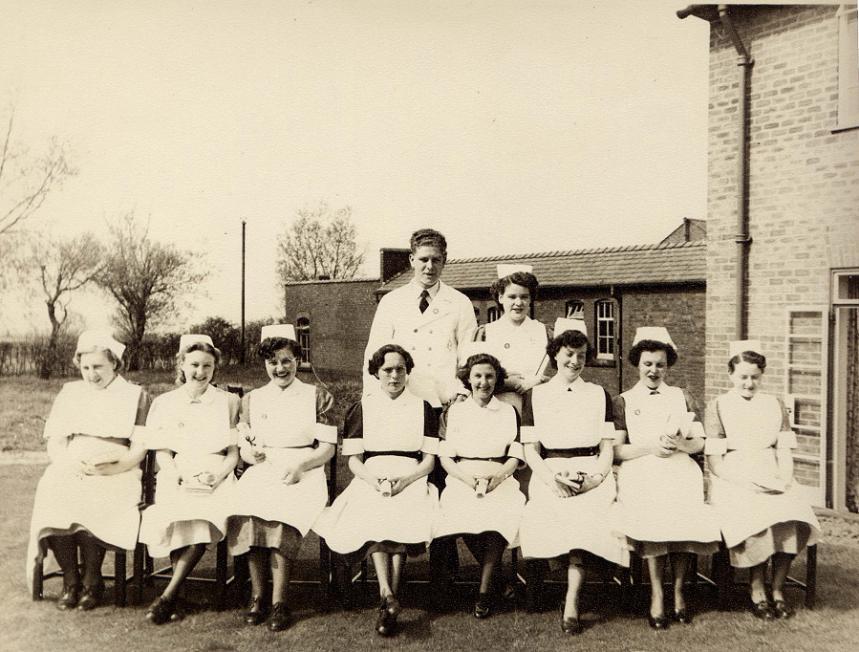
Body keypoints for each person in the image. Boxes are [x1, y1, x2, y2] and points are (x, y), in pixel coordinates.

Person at [315, 344, 438, 636]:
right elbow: (355, 461)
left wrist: (406, 481)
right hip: (371, 477)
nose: (394, 376)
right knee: (373, 512)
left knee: (402, 513)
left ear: (408, 372)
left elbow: (430, 460)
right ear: (376, 373)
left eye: (400, 369)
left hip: (413, 476)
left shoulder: (424, 408)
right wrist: (375, 481)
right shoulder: (362, 407)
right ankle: (388, 595)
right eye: (387, 370)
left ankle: (387, 599)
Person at [26, 329, 150, 611]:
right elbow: (56, 441)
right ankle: (72, 580)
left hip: (117, 469)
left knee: (96, 495)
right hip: (72, 462)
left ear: (114, 364)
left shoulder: (135, 395)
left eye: (98, 367)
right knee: (53, 490)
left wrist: (116, 467)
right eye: (85, 367)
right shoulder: (70, 393)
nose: (91, 374)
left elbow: (140, 447)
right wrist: (67, 463)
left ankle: (93, 579)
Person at [518, 319, 627, 635]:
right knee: (541, 512)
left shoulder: (598, 394)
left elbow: (607, 449)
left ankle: (572, 602)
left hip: (591, 470)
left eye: (580, 355)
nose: (574, 362)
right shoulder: (535, 396)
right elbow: (530, 450)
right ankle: (536, 588)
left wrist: (594, 478)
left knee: (586, 514)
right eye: (568, 354)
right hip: (549, 470)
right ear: (555, 354)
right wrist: (552, 481)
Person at [227, 324, 336, 631]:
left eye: (286, 360)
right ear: (265, 363)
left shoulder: (318, 396)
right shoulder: (252, 399)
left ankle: (280, 602)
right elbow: (245, 446)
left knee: (283, 514)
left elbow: (327, 449)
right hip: (265, 468)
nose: (280, 368)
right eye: (273, 361)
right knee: (245, 511)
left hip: (305, 469)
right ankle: (258, 597)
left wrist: (303, 465)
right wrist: (252, 455)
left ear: (297, 360)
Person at [612, 327, 720, 630]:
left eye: (660, 364)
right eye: (648, 363)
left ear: (668, 365)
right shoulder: (624, 400)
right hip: (641, 466)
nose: (654, 370)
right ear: (637, 363)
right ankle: (657, 594)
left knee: (683, 511)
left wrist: (681, 445)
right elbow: (618, 451)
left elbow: (700, 442)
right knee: (655, 514)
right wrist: (650, 447)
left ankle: (679, 591)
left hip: (679, 466)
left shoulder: (681, 396)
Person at [705, 340, 821, 620]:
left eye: (755, 377)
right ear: (731, 375)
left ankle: (778, 589)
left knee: (793, 513)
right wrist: (745, 482)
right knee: (758, 515)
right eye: (743, 377)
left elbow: (784, 450)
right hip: (733, 476)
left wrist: (784, 479)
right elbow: (715, 462)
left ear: (762, 376)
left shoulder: (774, 404)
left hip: (771, 470)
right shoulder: (719, 405)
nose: (749, 383)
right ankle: (757, 588)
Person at [139, 334, 240, 624]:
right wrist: (178, 476)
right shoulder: (165, 403)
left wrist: (217, 476)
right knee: (177, 513)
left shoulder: (228, 402)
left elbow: (233, 454)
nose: (200, 372)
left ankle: (168, 596)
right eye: (194, 364)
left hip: (217, 475)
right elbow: (162, 452)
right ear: (181, 364)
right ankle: (174, 595)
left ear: (214, 367)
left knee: (204, 517)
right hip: (178, 472)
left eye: (207, 366)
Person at [434, 345, 525, 619]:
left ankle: (484, 593)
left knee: (501, 514)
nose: (483, 382)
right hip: (462, 477)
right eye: (478, 376)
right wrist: (466, 479)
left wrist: (499, 476)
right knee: (458, 516)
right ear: (468, 378)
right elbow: (446, 457)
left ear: (497, 379)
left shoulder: (509, 411)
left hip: (500, 476)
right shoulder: (455, 411)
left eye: (489, 376)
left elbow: (516, 453)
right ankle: (496, 582)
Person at [363, 228, 477, 408]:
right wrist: (372, 398)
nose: (430, 267)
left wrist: (463, 393)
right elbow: (374, 356)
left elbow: (470, 356)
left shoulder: (460, 303)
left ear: (444, 261)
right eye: (424, 259)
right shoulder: (391, 302)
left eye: (436, 260)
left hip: (447, 401)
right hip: (402, 400)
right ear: (412, 260)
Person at [474, 264, 551, 416]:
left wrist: (540, 380)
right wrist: (506, 382)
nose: (518, 303)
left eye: (524, 297)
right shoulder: (485, 333)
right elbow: (471, 375)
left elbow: (563, 375)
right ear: (500, 297)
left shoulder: (546, 332)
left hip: (539, 409)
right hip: (496, 408)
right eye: (512, 297)